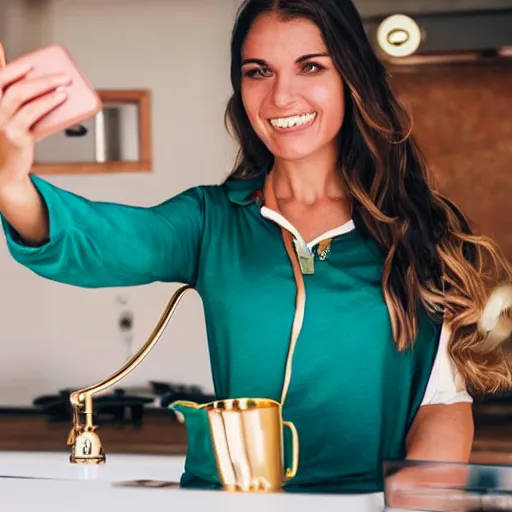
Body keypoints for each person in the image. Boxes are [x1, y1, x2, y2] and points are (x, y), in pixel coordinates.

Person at [0, 0, 511, 493]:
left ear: (352, 77)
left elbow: (440, 399)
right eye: (258, 71)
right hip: (226, 499)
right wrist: (10, 184)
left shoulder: (421, 228)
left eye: (310, 66)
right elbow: (101, 240)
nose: (281, 97)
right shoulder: (210, 221)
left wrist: (414, 495)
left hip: (360, 501)